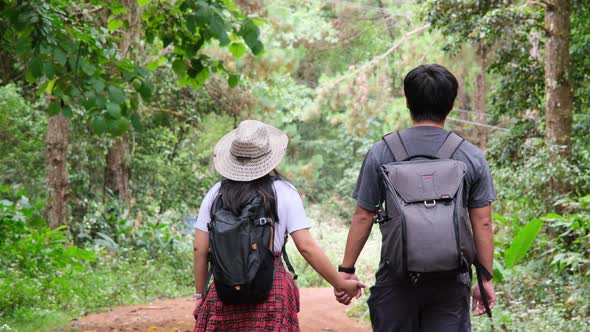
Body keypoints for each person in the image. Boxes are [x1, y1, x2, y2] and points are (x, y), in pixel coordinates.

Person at [334, 64, 497, 331]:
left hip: (396, 280)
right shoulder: (470, 155)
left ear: (407, 102)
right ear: (452, 104)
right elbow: (483, 224)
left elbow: (364, 215)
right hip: (451, 282)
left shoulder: (382, 152)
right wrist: (485, 278)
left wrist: (347, 268)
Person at [193, 120, 365, 331]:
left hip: (223, 293)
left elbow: (200, 248)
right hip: (272, 293)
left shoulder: (215, 193)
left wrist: (200, 296)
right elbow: (306, 247)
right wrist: (340, 283)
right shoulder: (282, 191)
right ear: (269, 158)